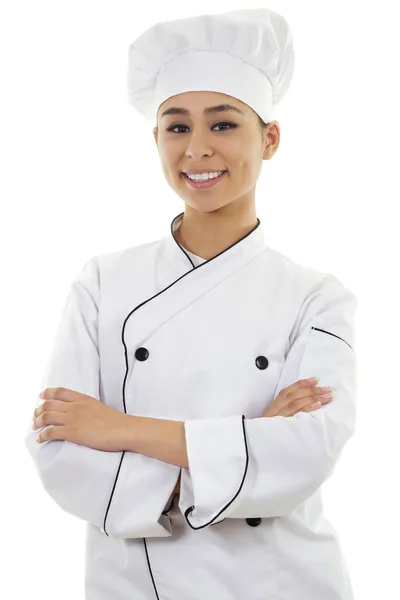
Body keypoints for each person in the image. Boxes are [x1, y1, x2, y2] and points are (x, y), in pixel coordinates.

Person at [24, 7, 358, 600]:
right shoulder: (103, 282)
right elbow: (60, 449)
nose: (197, 150)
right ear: (156, 139)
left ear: (270, 138)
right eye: (177, 127)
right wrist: (246, 445)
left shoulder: (315, 296)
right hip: (133, 585)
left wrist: (119, 429)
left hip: (283, 583)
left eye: (224, 125)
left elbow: (310, 450)